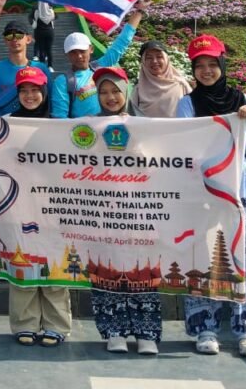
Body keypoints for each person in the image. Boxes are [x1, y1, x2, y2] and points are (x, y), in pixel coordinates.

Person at [177, 34, 246, 358]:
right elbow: (183, 147)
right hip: (204, 195)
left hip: (242, 194)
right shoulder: (188, 104)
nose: (206, 71)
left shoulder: (241, 99)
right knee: (204, 259)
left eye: (212, 64)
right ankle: (205, 327)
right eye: (199, 65)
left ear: (222, 65)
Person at [88, 67, 162, 355]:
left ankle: (146, 332)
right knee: (105, 267)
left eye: (115, 91)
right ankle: (114, 331)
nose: (110, 97)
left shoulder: (145, 126)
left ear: (126, 91)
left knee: (143, 268)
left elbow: (161, 162)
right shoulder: (89, 127)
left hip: (140, 210)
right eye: (103, 92)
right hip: (103, 212)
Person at [5, 66, 69, 347]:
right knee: (22, 261)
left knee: (54, 261)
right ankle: (25, 322)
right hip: (19, 203)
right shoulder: (6, 124)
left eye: (34, 90)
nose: (29, 96)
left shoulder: (59, 126)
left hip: (53, 204)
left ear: (44, 91)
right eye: (24, 90)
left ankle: (57, 324)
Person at [51, 1, 144, 118]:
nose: (79, 56)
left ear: (91, 49)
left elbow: (122, 43)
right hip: (84, 129)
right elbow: (59, 117)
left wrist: (140, 11)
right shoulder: (63, 82)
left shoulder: (101, 66)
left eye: (82, 51)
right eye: (73, 52)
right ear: (67, 55)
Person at [0, 20, 50, 116]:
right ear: (5, 40)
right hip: (6, 122)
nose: (14, 39)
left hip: (35, 121)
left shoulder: (41, 68)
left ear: (28, 39)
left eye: (19, 35)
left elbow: (50, 97)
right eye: (9, 36)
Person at [129, 41, 192, 119]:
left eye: (159, 57)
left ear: (166, 59)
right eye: (149, 58)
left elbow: (195, 112)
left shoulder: (181, 85)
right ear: (143, 62)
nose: (154, 61)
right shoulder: (138, 90)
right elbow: (130, 117)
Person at [30, 0, 56, 68]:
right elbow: (54, 17)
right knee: (49, 49)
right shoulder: (51, 11)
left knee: (41, 50)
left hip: (39, 32)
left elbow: (34, 19)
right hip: (49, 32)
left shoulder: (37, 11)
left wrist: (33, 24)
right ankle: (50, 66)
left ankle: (43, 66)